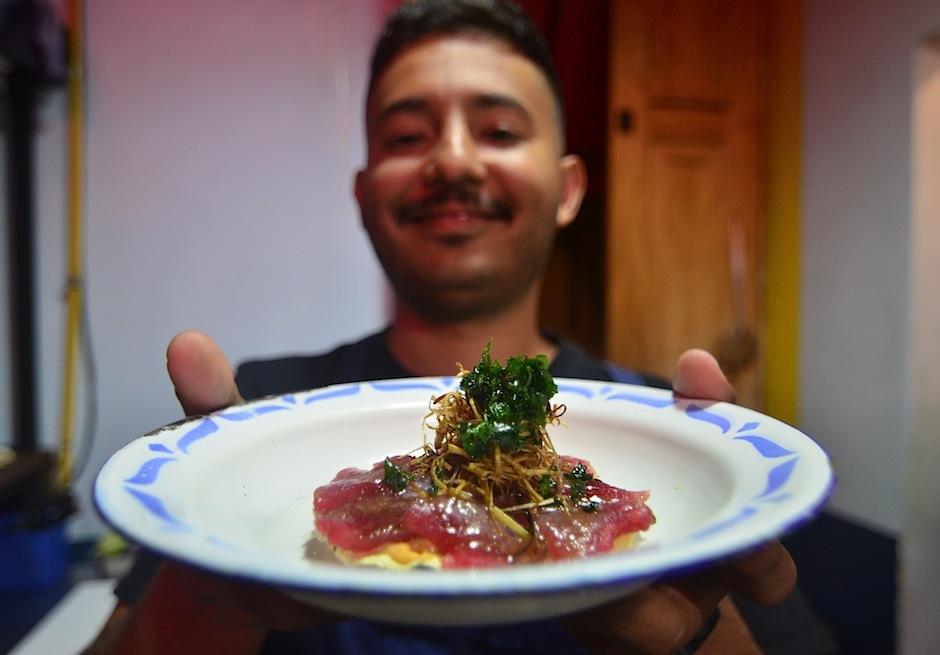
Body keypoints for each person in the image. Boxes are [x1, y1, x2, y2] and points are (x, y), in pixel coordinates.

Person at [86, 1, 833, 653]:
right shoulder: (253, 417)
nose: (451, 158)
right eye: (408, 137)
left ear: (570, 189)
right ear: (364, 192)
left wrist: (700, 632)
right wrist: (200, 599)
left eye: (500, 129)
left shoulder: (675, 423)